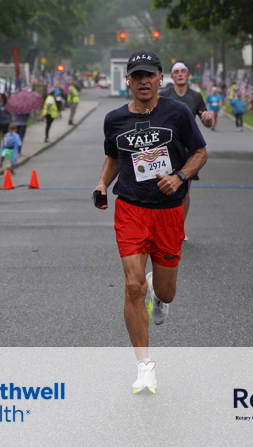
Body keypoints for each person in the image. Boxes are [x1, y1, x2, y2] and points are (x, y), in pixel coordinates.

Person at [93, 50, 207, 394]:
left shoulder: (178, 112)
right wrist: (103, 183)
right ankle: (144, 367)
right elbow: (113, 156)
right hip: (131, 208)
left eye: (149, 75)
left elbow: (200, 152)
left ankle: (159, 296)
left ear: (160, 79)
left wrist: (180, 176)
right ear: (128, 81)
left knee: (166, 292)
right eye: (137, 76)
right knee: (133, 286)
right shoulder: (114, 119)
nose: (144, 81)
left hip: (168, 212)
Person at [159, 61, 214, 232]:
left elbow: (207, 122)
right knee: (163, 189)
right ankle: (164, 227)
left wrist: (208, 119)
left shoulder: (195, 97)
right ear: (172, 76)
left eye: (183, 71)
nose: (180, 74)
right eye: (177, 72)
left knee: (184, 191)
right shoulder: (164, 95)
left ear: (188, 75)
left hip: (187, 152)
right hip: (167, 149)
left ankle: (179, 229)